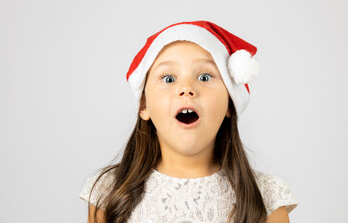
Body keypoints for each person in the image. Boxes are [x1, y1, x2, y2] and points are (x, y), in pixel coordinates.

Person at [79, 20, 298, 223]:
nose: (186, 89)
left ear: (230, 104)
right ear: (144, 105)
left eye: (204, 77)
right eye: (169, 79)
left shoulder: (265, 198)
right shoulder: (109, 192)